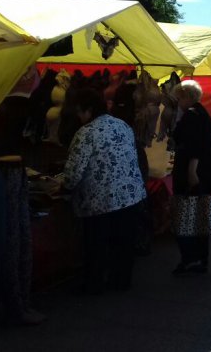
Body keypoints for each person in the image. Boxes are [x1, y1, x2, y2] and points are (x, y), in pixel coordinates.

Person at [63, 89, 147, 294]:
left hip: (100, 200)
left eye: (80, 112)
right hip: (130, 194)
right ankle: (121, 281)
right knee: (123, 243)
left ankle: (94, 284)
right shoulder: (122, 125)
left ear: (89, 110)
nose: (78, 117)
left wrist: (64, 186)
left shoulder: (85, 133)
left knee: (96, 244)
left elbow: (74, 172)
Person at [171, 80, 211, 275]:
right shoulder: (201, 113)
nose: (178, 102)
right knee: (200, 216)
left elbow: (194, 147)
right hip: (204, 172)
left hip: (193, 172)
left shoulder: (192, 116)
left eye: (179, 97)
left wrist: (192, 171)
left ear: (186, 96)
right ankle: (200, 258)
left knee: (187, 216)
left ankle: (190, 259)